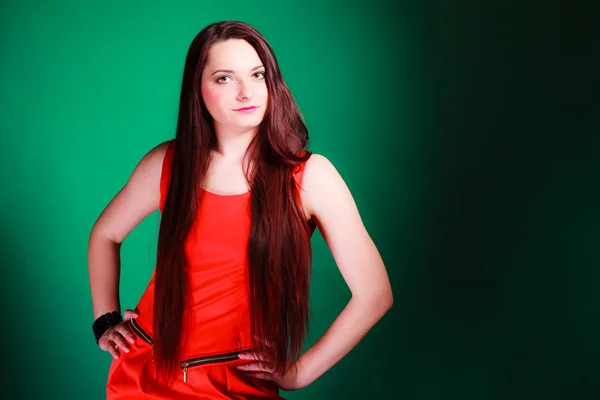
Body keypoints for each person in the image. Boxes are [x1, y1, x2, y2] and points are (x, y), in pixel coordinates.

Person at [87, 20, 393, 399]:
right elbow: (105, 234)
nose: (247, 91)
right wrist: (106, 320)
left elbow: (374, 293)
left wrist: (299, 373)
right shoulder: (169, 162)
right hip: (142, 374)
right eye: (224, 78)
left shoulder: (309, 176)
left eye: (257, 74)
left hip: (235, 383)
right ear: (198, 90)